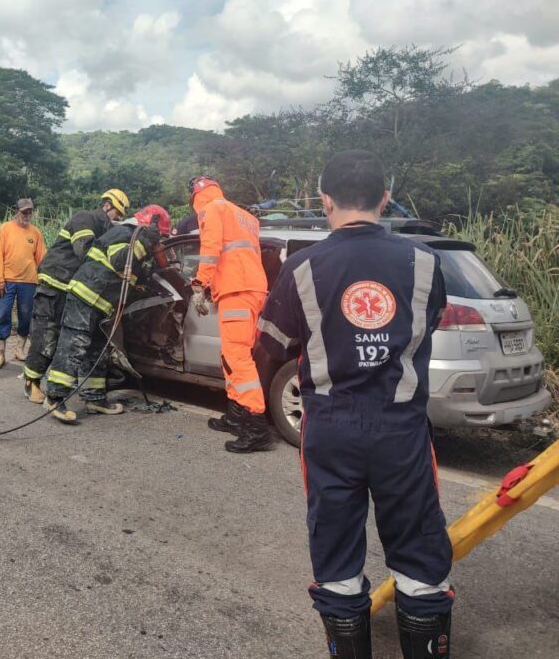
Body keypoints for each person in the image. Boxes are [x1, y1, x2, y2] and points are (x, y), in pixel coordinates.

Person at [255, 150, 453, 659]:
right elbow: (424, 327)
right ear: (385, 198)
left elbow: (267, 347)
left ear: (325, 200)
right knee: (419, 552)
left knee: (337, 555)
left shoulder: (301, 267)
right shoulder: (427, 263)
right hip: (401, 430)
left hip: (330, 431)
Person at [44, 205, 171, 423]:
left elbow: (130, 275)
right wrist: (145, 242)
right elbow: (120, 261)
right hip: (85, 297)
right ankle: (55, 397)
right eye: (159, 238)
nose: (157, 244)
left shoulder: (135, 241)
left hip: (101, 304)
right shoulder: (124, 233)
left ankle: (94, 398)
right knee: (74, 346)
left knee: (96, 352)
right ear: (147, 227)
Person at [187, 176, 273, 452]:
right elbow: (239, 255)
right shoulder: (245, 215)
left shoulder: (212, 209)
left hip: (237, 290)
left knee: (237, 357)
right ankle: (237, 415)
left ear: (196, 197)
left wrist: (200, 284)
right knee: (231, 355)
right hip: (249, 288)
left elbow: (210, 250)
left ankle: (256, 427)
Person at [22, 189, 130, 403]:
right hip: (55, 282)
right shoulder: (85, 218)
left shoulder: (108, 230)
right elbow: (84, 250)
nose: (117, 218)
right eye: (117, 213)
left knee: (66, 339)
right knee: (46, 334)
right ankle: (31, 382)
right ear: (107, 205)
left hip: (74, 289)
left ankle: (63, 384)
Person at [0, 198, 46, 369]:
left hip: (28, 282)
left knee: (26, 316)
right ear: (17, 212)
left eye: (30, 212)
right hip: (6, 281)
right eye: (24, 212)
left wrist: (44, 280)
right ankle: (0, 354)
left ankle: (19, 349)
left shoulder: (36, 233)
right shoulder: (5, 229)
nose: (27, 215)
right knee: (2, 315)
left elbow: (42, 259)